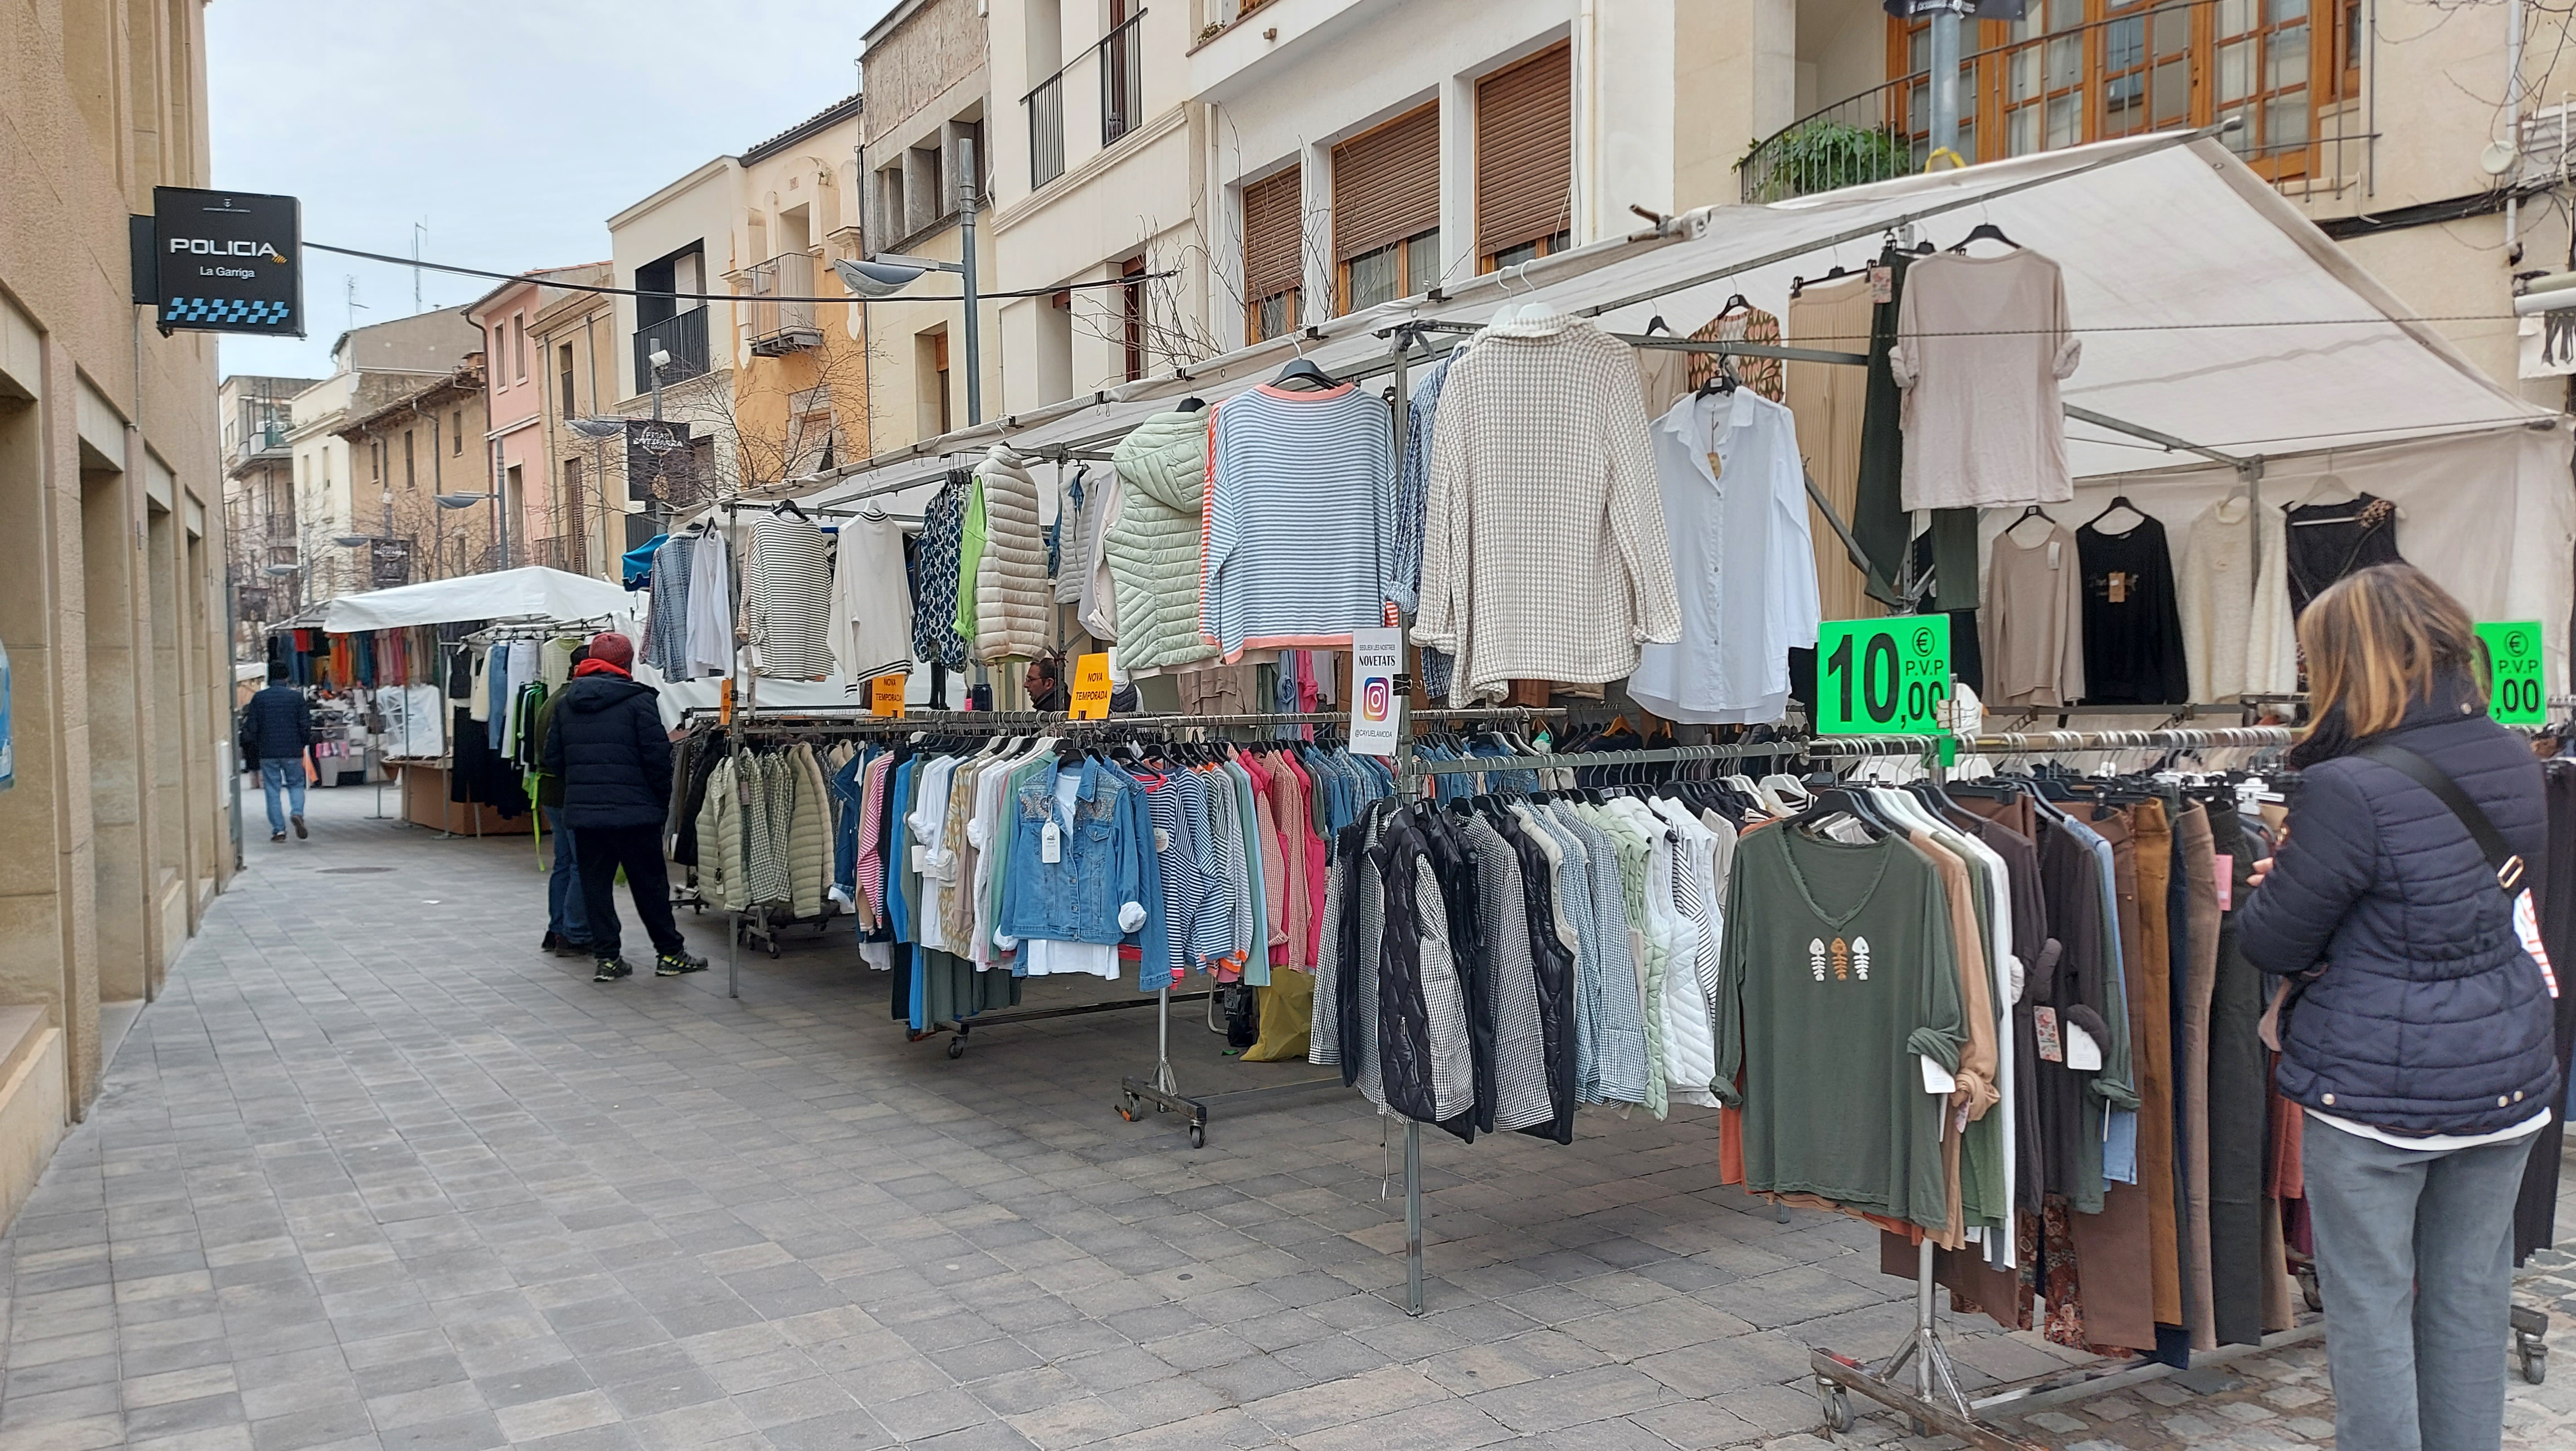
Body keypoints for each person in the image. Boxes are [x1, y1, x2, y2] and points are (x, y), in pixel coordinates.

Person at [2237, 563, 2560, 1451]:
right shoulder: (2509, 750)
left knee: (2371, 1309)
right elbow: (2464, 898)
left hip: (2379, 1094)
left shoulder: (2345, 788)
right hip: (2506, 1072)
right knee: (2468, 1296)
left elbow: (2273, 942)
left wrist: (2277, 878)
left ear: (2348, 662)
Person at [540, 631, 706, 982]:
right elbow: (657, 761)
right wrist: (660, 804)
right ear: (627, 664)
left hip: (586, 816)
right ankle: (669, 954)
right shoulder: (639, 702)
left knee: (595, 888)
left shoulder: (566, 703)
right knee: (650, 888)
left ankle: (608, 960)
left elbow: (552, 760)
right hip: (636, 814)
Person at [530, 644, 592, 957]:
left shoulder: (553, 698)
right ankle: (576, 932)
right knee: (581, 864)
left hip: (552, 792)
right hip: (569, 791)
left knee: (565, 863)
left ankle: (557, 929)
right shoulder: (572, 703)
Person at [243, 666, 314, 843]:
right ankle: (297, 813)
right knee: (296, 784)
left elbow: (252, 727)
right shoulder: (296, 698)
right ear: (287, 677)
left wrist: (254, 746)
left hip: (268, 752)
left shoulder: (259, 698)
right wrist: (302, 743)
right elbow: (305, 724)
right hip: (292, 750)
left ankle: (279, 831)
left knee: (272, 791)